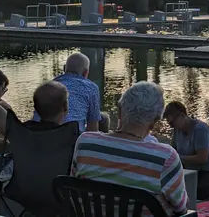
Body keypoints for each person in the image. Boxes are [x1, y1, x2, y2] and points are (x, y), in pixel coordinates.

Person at [71, 82, 188, 217]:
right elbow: (180, 208)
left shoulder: (85, 143)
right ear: (154, 122)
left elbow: (74, 187)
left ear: (120, 111)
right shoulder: (165, 158)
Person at [164, 101, 209, 200]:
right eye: (169, 123)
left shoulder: (199, 129)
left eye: (172, 123)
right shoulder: (177, 130)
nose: (171, 126)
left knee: (196, 191)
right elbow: (173, 151)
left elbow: (202, 158)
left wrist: (179, 157)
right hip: (192, 169)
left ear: (182, 115)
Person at [35, 52, 101, 133]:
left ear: (64, 68)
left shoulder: (50, 86)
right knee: (103, 118)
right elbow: (93, 128)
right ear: (85, 73)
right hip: (73, 137)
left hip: (40, 133)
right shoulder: (91, 87)